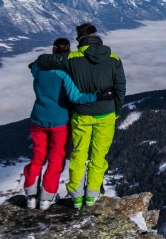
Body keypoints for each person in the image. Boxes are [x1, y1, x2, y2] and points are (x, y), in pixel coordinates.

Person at [35, 22, 126, 209]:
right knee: (99, 155)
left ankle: (76, 196)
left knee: (79, 153)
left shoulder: (71, 58)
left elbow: (42, 60)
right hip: (106, 114)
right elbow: (120, 87)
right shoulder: (114, 58)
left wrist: (58, 55)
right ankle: (92, 195)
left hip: (81, 114)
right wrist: (117, 110)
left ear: (80, 39)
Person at [24, 38, 112, 210]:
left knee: (38, 155)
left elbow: (33, 66)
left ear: (53, 50)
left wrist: (35, 64)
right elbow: (75, 97)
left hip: (38, 119)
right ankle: (47, 197)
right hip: (60, 122)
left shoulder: (38, 71)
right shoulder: (63, 74)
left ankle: (31, 195)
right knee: (56, 158)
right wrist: (97, 96)